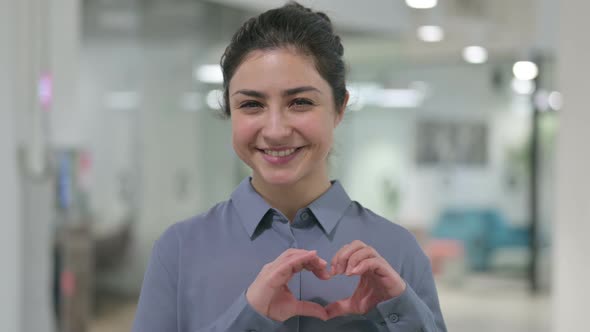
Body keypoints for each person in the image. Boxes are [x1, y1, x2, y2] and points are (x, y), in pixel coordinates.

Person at [132, 2, 446, 331]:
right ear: (230, 112)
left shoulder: (398, 250)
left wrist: (403, 310)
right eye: (251, 104)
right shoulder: (180, 249)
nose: (276, 130)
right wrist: (248, 315)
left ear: (339, 108)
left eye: (300, 102)